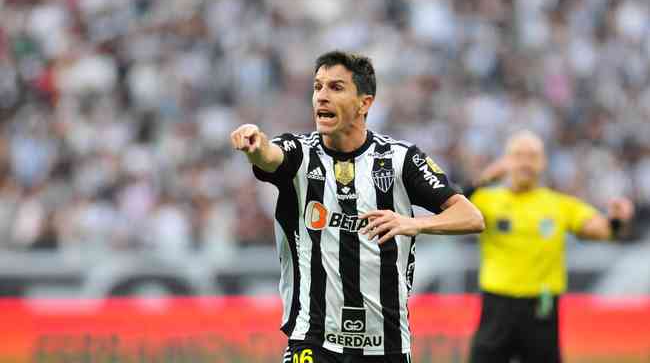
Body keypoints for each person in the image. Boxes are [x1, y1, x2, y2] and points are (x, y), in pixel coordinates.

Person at [230, 50, 484, 363]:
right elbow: (270, 155)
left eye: (335, 88)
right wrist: (255, 146)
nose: (321, 97)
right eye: (317, 87)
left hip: (386, 343)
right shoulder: (299, 154)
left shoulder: (399, 159)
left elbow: (470, 216)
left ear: (365, 103)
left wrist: (414, 223)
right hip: (314, 339)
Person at [465, 130, 634, 363]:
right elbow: (449, 204)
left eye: (532, 156)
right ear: (506, 161)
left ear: (543, 162)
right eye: (518, 155)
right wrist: (484, 178)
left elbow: (603, 230)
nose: (525, 162)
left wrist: (617, 219)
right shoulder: (485, 199)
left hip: (541, 307)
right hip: (497, 305)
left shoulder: (559, 205)